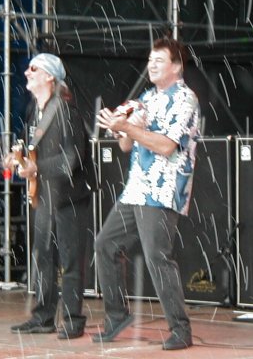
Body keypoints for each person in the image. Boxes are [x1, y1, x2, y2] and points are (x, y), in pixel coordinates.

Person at [94, 37, 199, 351]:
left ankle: (180, 329)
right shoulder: (146, 97)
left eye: (159, 60)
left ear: (176, 66)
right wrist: (121, 126)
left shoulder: (185, 98)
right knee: (105, 244)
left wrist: (130, 128)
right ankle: (116, 315)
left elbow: (166, 146)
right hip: (136, 188)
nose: (151, 65)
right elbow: (127, 146)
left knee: (157, 257)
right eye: (150, 59)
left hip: (164, 189)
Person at [4, 53, 92, 340]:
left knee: (70, 260)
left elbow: (72, 159)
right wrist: (16, 158)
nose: (27, 72)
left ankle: (73, 320)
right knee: (42, 257)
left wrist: (37, 168)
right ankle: (43, 317)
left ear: (50, 77)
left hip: (69, 198)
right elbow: (30, 146)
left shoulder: (65, 111)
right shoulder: (36, 110)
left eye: (34, 68)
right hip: (45, 197)